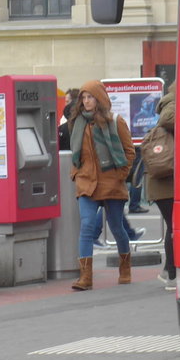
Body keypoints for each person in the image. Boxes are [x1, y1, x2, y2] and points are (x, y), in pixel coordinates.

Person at [69, 80, 136, 291]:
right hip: (87, 183)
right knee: (87, 226)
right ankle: (85, 277)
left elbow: (129, 152)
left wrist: (120, 175)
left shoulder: (115, 121)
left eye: (90, 97)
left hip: (111, 183)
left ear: (100, 99)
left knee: (117, 227)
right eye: (83, 98)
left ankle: (125, 268)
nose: (86, 102)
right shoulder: (78, 123)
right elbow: (75, 153)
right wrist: (76, 174)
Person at [144, 88, 176, 289]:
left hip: (162, 184)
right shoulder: (173, 103)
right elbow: (168, 119)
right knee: (175, 227)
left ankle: (168, 270)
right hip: (166, 185)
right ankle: (171, 274)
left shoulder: (169, 102)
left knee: (173, 226)